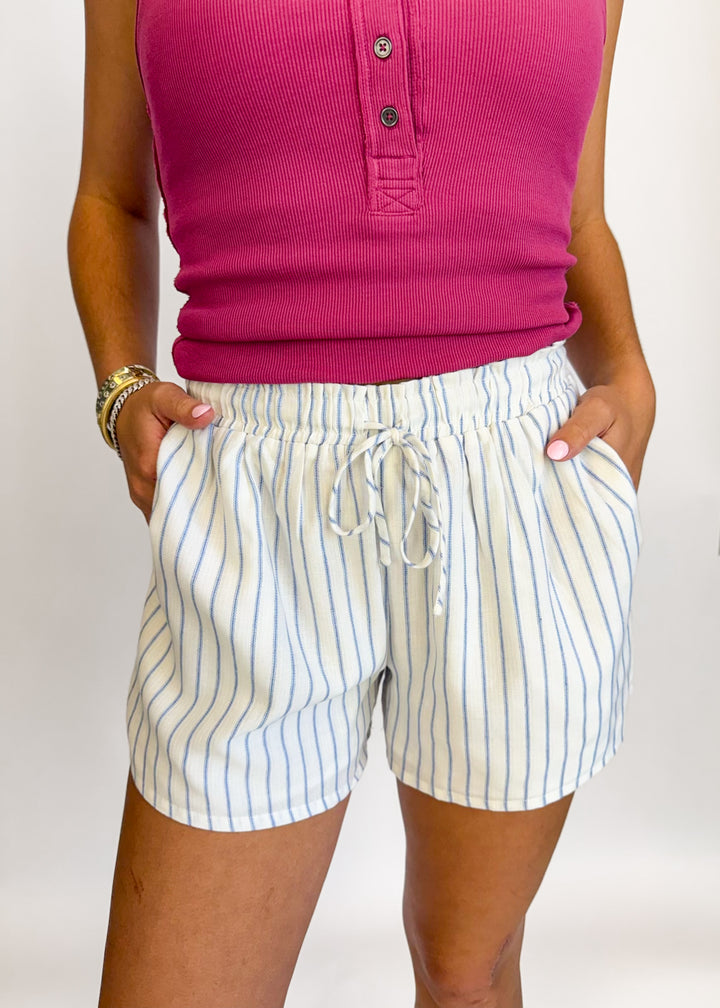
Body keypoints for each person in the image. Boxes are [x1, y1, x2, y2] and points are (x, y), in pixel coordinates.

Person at [67, 0, 655, 1005]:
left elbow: (576, 216)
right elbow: (113, 195)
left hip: (515, 479)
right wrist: (120, 386)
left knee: (469, 968)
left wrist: (631, 374)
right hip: (248, 489)